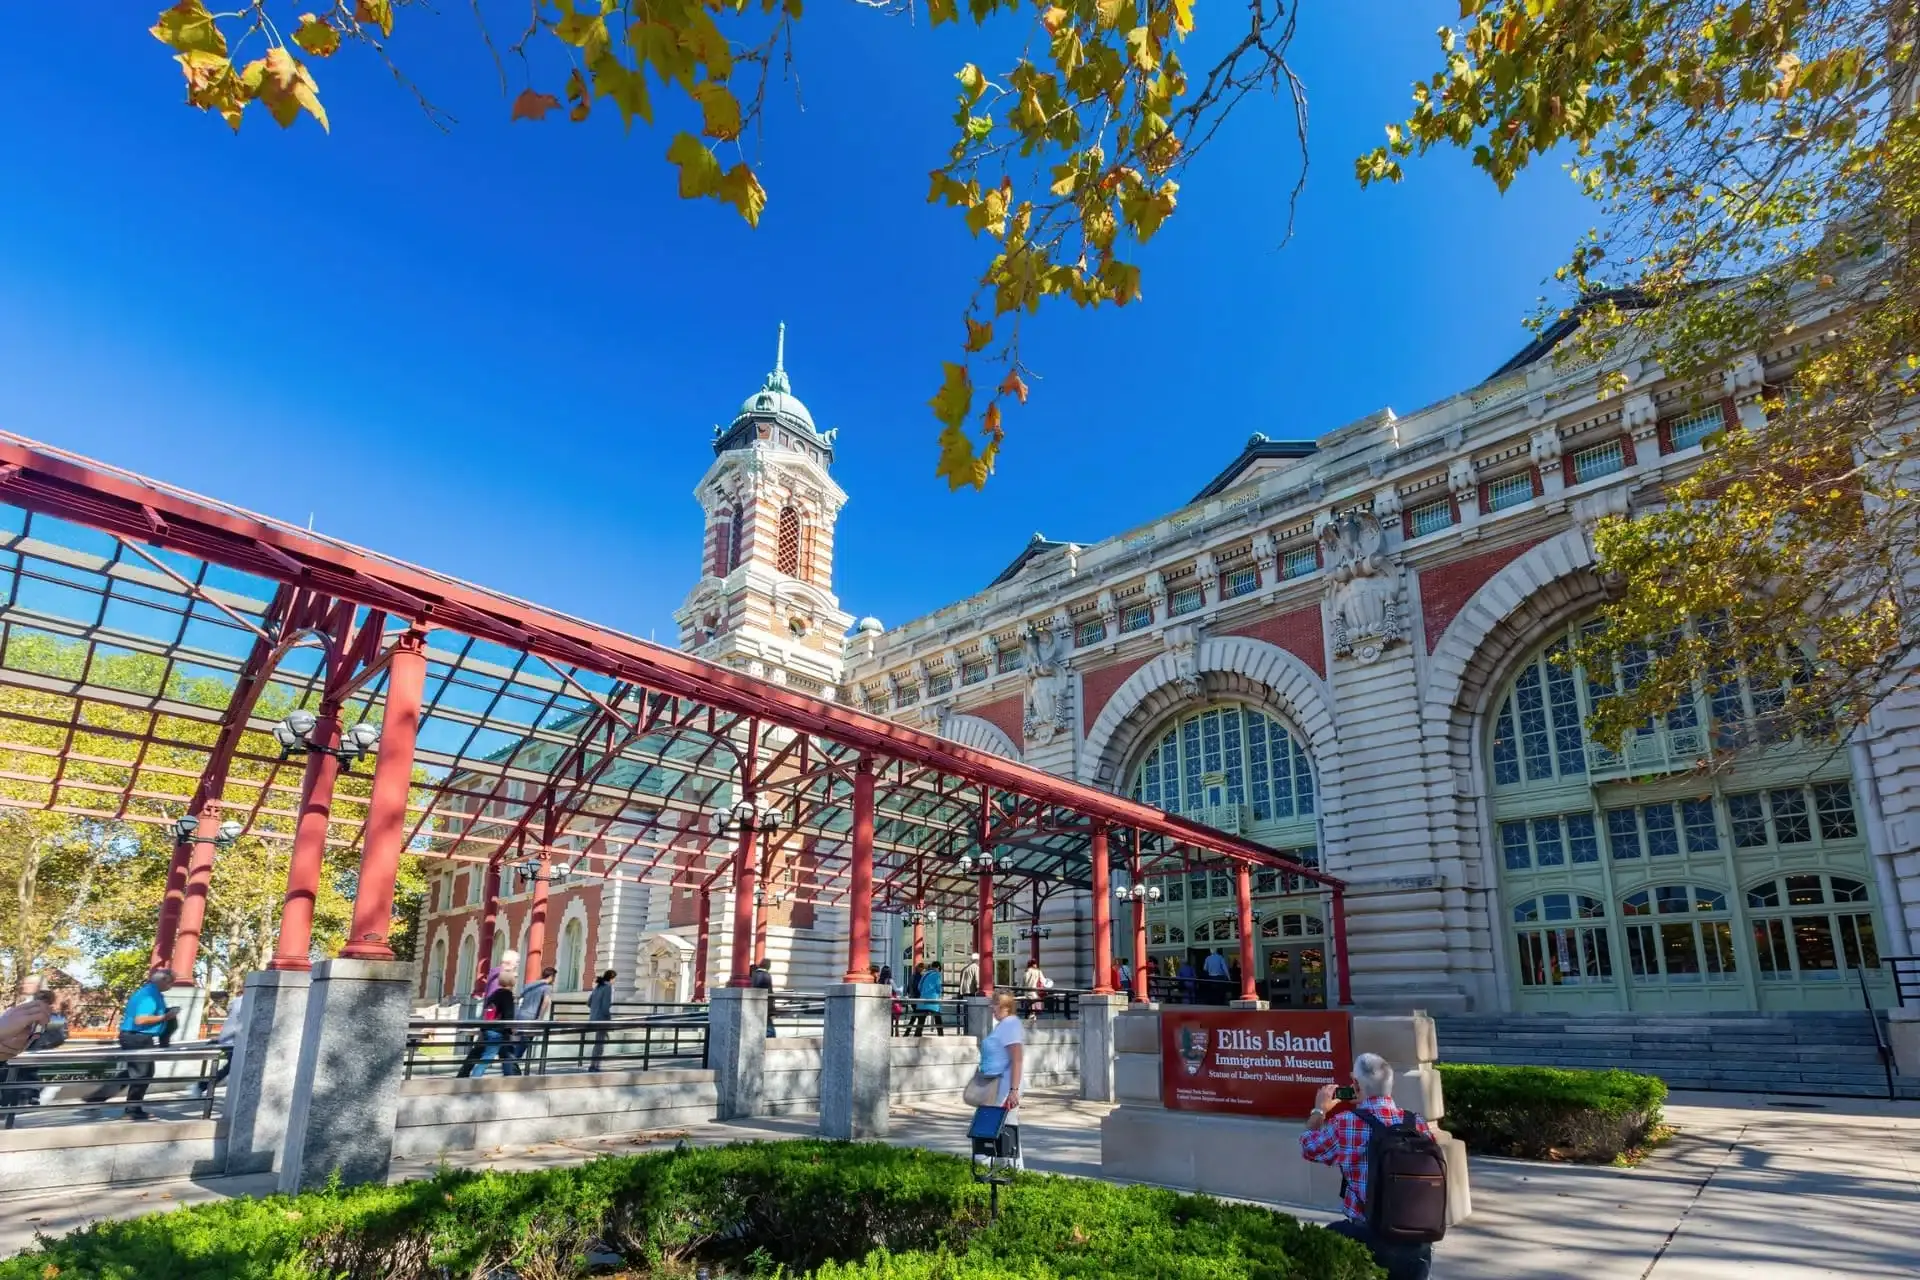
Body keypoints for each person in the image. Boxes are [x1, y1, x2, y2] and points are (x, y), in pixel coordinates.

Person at [1300, 1052, 1437, 1280]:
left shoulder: (1347, 1122)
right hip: (1418, 1242)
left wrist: (1319, 1111)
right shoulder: (1416, 1122)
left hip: (1369, 1237)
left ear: (1354, 1084)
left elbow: (1308, 1147)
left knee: (1317, 1245)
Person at [86, 966, 178, 1119]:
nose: (171, 986)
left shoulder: (153, 993)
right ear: (163, 980)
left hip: (136, 1036)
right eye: (171, 982)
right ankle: (132, 1110)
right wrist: (165, 1017)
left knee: (132, 1072)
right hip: (138, 1037)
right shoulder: (149, 995)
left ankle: (95, 1099)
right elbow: (141, 1019)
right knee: (143, 1074)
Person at [977, 990, 1026, 1171]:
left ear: (1005, 1007)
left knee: (1006, 1127)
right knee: (1000, 1126)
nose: (992, 1007)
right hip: (996, 1084)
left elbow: (1017, 1059)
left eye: (995, 1004)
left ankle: (1010, 1168)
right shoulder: (1004, 1025)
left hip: (1005, 1086)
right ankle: (1003, 1166)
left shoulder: (1010, 1026)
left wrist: (1013, 1090)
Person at [0, 989, 58, 1117]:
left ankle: (17, 1104)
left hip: (31, 1050)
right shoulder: (22, 1012)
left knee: (20, 1074)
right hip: (25, 1051)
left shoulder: (44, 1014)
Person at [457, 978, 518, 1078]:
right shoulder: (507, 995)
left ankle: (511, 1076)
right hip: (497, 1030)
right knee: (488, 1056)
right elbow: (509, 1014)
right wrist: (512, 1028)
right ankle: (475, 1078)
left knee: (502, 1053)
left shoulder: (494, 994)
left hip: (488, 1028)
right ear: (512, 982)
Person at [194, 979, 244, 1099]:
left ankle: (202, 1086)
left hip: (230, 1039)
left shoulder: (237, 1002)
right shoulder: (243, 1003)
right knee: (232, 1067)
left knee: (231, 1067)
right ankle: (201, 1086)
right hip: (232, 1040)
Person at [507, 966, 555, 1071]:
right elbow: (545, 1002)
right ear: (551, 976)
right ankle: (511, 1063)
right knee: (525, 1042)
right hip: (532, 1017)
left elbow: (518, 997)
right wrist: (540, 1018)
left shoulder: (530, 985)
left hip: (521, 1014)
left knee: (518, 1040)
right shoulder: (547, 987)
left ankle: (512, 1065)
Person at [587, 969, 617, 1070]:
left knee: (598, 1042)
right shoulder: (608, 987)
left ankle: (593, 1064)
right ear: (612, 978)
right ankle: (595, 1065)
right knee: (600, 1043)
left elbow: (589, 1003)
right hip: (602, 1018)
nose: (615, 981)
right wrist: (608, 1021)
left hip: (593, 1017)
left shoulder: (598, 986)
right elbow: (606, 1006)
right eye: (615, 979)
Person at [909, 961, 944, 1036]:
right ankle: (941, 1035)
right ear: (938, 967)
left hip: (922, 1001)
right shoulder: (937, 974)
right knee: (938, 1019)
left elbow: (919, 987)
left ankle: (917, 1035)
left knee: (921, 1020)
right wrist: (940, 993)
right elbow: (938, 987)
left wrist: (924, 993)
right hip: (933, 1000)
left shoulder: (925, 974)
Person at [749, 962, 776, 1037]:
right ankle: (770, 1038)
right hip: (765, 1004)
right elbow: (769, 992)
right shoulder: (766, 975)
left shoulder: (754, 976)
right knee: (768, 1025)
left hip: (755, 1004)